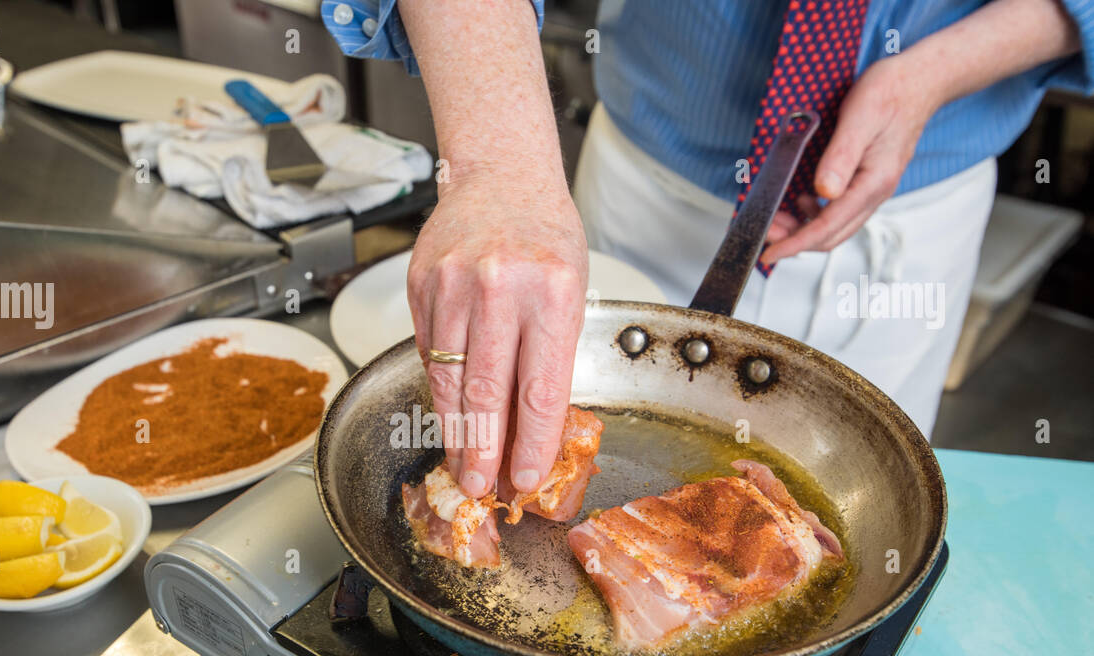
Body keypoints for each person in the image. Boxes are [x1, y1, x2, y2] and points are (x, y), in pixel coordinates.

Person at [323, 0, 1093, 499]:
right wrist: (500, 166)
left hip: (912, 204)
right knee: (541, 447)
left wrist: (934, 73)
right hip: (646, 186)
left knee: (858, 510)